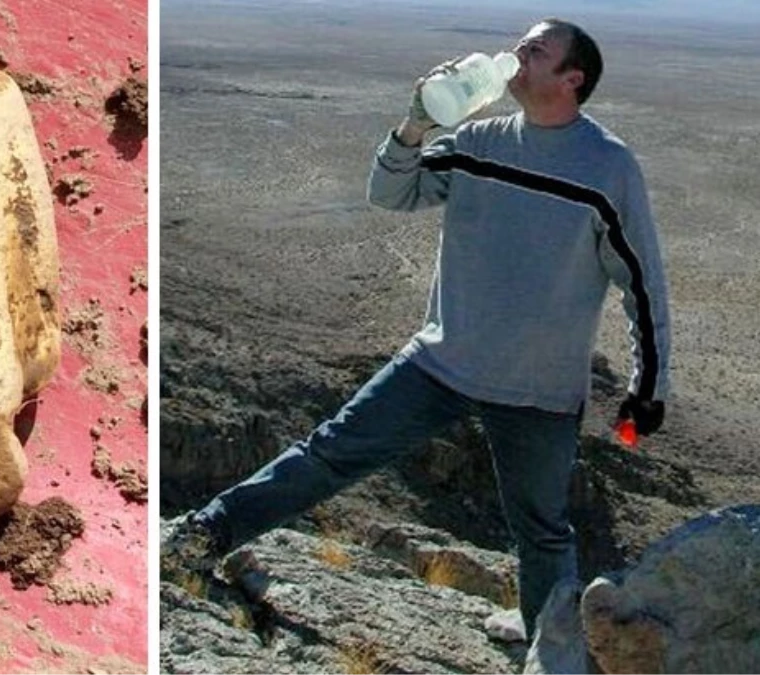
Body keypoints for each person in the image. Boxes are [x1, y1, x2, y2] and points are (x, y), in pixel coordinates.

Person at [161, 18, 670, 640]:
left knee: (541, 528)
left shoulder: (607, 167)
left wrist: (648, 388)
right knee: (329, 453)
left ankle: (546, 644)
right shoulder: (478, 139)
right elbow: (390, 194)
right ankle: (201, 536)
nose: (517, 55)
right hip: (440, 362)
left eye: (535, 50)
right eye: (520, 44)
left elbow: (641, 282)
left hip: (538, 389)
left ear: (572, 79)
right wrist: (413, 127)